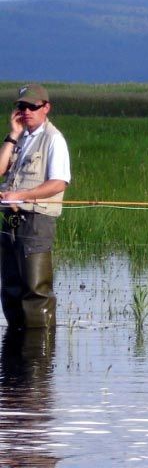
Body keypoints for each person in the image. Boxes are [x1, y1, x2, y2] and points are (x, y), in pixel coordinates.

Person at [0, 83, 71, 330]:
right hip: (9, 221)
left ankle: (39, 355)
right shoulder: (19, 139)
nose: (26, 111)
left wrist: (22, 195)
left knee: (36, 290)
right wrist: (13, 134)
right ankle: (14, 351)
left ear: (46, 108)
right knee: (10, 288)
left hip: (37, 221)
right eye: (22, 106)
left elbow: (59, 183)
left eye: (32, 106)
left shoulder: (54, 139)